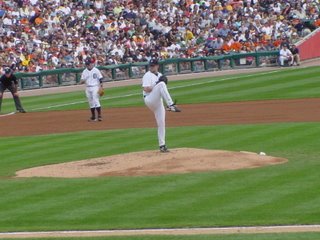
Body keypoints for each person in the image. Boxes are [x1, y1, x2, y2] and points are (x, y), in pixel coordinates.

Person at [142, 59, 181, 153]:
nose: (151, 67)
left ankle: (162, 146)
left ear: (157, 66)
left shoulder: (159, 75)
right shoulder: (147, 75)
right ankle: (171, 105)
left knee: (161, 123)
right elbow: (146, 89)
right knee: (161, 84)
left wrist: (161, 82)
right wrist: (158, 83)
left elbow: (162, 89)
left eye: (153, 65)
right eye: (150, 66)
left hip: (158, 102)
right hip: (149, 99)